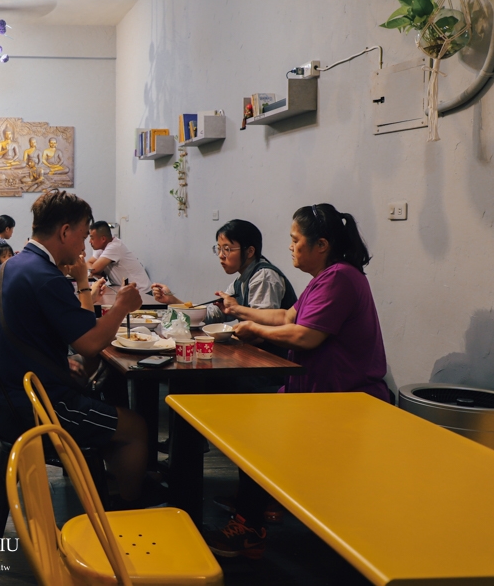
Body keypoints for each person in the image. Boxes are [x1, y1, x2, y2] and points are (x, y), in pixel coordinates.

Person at [204, 204, 389, 559]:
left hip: (344, 397)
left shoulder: (340, 278)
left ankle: (250, 528)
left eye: (295, 240)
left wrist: (252, 329)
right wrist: (238, 311)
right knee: (251, 428)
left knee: (255, 433)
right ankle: (257, 508)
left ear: (321, 244)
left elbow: (306, 336)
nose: (289, 246)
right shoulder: (326, 278)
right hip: (316, 391)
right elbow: (285, 315)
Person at [0, 190, 151, 507]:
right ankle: (126, 512)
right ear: (64, 231)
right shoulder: (46, 277)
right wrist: (122, 307)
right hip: (39, 408)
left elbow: (79, 332)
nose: (85, 246)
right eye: (83, 235)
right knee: (136, 427)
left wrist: (83, 282)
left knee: (101, 391)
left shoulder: (14, 266)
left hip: (10, 396)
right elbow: (89, 344)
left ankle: (108, 482)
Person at [151, 219, 297, 356]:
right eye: (219, 249)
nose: (221, 255)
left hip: (273, 362)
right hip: (254, 355)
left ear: (250, 251)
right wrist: (172, 300)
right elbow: (212, 314)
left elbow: (260, 331)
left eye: (227, 249)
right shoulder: (241, 280)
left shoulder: (264, 276)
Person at [87, 221, 155, 304]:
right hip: (125, 291)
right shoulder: (101, 248)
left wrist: (94, 271)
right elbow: (89, 263)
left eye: (92, 238)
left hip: (142, 293)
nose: (90, 241)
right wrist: (93, 270)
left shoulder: (114, 247)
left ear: (103, 239)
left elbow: (93, 269)